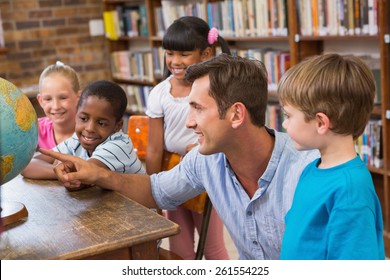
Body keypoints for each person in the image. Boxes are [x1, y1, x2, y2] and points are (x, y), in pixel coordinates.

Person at [40, 54, 318, 260]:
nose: (188, 122)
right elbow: (156, 190)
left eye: (197, 109)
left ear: (236, 114)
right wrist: (99, 174)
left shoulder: (311, 170)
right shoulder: (205, 159)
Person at [278, 53, 385, 259]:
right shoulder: (311, 169)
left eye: (288, 116)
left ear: (320, 122)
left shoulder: (350, 191)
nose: (284, 124)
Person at [145, 16, 231, 260]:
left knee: (212, 246)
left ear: (205, 54)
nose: (175, 61)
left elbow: (225, 131)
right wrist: (154, 192)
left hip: (206, 168)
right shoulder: (160, 93)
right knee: (178, 246)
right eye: (170, 53)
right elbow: (153, 148)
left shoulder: (215, 88)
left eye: (183, 54)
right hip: (172, 171)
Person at [22, 80, 144, 182]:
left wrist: (69, 174)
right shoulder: (76, 140)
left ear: (117, 126)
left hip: (138, 210)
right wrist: (59, 172)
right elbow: (27, 166)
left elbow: (84, 175)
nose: (89, 128)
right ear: (76, 114)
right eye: (84, 118)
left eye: (101, 123)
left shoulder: (117, 145)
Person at [36, 61, 81, 149]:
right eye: (48, 99)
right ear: (40, 101)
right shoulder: (33, 130)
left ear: (78, 97)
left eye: (63, 98)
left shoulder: (89, 132)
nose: (56, 106)